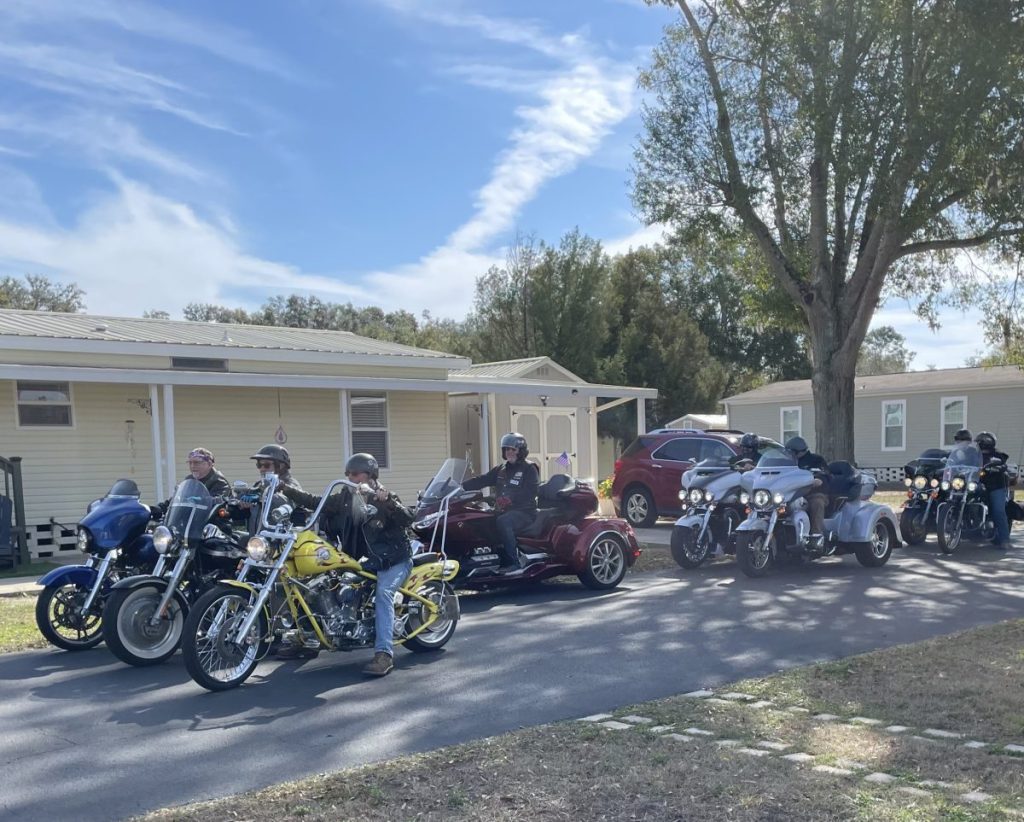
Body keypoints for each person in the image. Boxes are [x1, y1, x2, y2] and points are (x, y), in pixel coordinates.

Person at [277, 453, 413, 676]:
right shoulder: (343, 499)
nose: (351, 477)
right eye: (348, 474)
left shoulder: (384, 497)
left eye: (355, 474)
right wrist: (286, 489)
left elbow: (408, 517)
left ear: (370, 476)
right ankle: (308, 638)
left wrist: (388, 501)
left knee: (384, 594)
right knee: (314, 584)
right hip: (361, 561)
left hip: (393, 560)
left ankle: (384, 654)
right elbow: (314, 501)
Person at [462, 432, 539, 574]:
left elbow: (531, 491)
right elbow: (483, 479)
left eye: (512, 449)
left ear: (520, 451)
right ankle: (487, 559)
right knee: (481, 519)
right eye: (506, 449)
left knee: (504, 522)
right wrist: (460, 486)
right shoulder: (501, 469)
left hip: (525, 512)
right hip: (504, 510)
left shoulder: (529, 468)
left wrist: (511, 499)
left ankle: (514, 563)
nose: (509, 452)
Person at [151, 447, 231, 519]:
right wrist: (158, 508)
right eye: (190, 463)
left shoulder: (219, 481)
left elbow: (219, 502)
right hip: (191, 525)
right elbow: (176, 499)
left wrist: (196, 500)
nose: (192, 466)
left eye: (196, 463)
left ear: (209, 464)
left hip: (214, 524)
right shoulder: (190, 480)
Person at [785, 436, 829, 545]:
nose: (789, 454)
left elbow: (825, 474)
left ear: (799, 451)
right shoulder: (787, 462)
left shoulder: (816, 459)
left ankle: (816, 536)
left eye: (791, 452)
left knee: (817, 502)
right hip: (790, 494)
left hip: (813, 493)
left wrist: (818, 479)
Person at [976, 431, 1012, 550]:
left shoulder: (997, 455)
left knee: (998, 511)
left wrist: (999, 466)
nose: (978, 444)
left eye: (979, 442)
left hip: (995, 486)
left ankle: (1004, 540)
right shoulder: (974, 455)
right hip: (977, 485)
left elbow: (1002, 463)